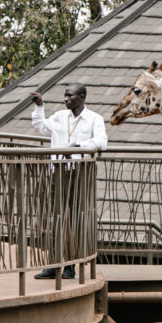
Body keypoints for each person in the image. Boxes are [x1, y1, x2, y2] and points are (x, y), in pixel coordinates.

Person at [27, 83, 107, 278]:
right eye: (65, 96)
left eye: (69, 96)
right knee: (56, 218)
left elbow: (101, 142)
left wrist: (79, 146)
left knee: (75, 219)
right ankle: (54, 265)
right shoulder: (60, 117)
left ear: (81, 97)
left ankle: (71, 266)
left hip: (80, 172)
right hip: (59, 172)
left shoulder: (94, 119)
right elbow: (40, 127)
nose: (65, 99)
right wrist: (39, 106)